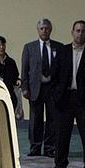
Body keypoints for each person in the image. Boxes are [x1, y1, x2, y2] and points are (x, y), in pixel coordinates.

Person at [49, 20, 85, 168]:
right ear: (72, 32)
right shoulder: (62, 51)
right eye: (77, 30)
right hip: (64, 99)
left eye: (83, 31)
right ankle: (60, 163)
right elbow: (54, 76)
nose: (80, 33)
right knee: (61, 134)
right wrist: (56, 96)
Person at [20, 19, 62, 157]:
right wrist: (24, 87)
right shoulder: (29, 47)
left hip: (52, 88)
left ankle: (50, 148)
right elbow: (24, 69)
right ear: (38, 30)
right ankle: (35, 147)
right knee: (35, 119)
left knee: (52, 119)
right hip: (35, 88)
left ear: (51, 30)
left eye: (47, 28)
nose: (45, 31)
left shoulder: (58, 47)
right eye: (42, 28)